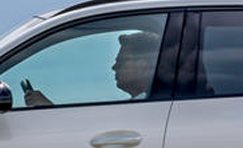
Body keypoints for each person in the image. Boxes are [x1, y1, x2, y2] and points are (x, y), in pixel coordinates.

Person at [23, 30, 161, 107]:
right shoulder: (146, 105)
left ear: (145, 64)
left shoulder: (149, 110)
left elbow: (97, 134)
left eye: (121, 62)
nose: (114, 67)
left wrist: (48, 109)